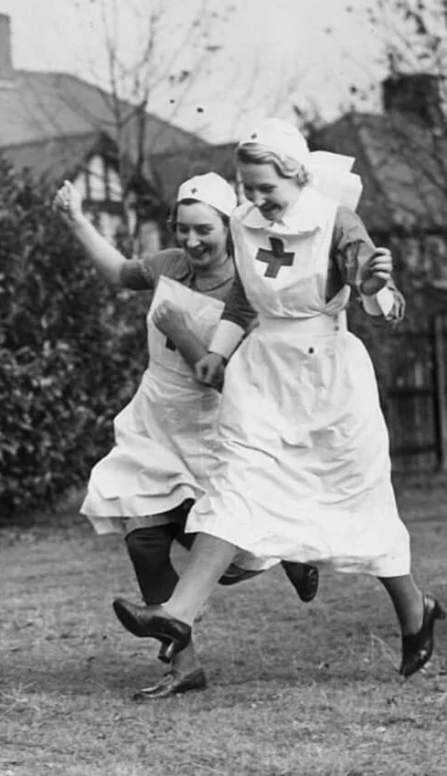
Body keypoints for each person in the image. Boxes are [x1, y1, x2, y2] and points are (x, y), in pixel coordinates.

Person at [112, 118, 445, 679]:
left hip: (328, 379)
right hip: (263, 374)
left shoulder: (335, 221)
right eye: (247, 188)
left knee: (357, 503)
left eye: (266, 188)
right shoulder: (243, 223)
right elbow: (245, 299)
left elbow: (381, 299)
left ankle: (416, 610)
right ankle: (176, 615)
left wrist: (372, 288)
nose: (256, 199)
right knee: (236, 484)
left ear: (298, 176)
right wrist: (217, 352)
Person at [52, 172, 318, 700]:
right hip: (158, 417)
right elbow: (119, 271)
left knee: (222, 555)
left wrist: (181, 331)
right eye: (183, 228)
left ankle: (287, 546)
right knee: (145, 540)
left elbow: (227, 379)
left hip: (218, 421)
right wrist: (75, 218)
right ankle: (184, 666)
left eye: (204, 231)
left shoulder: (249, 285)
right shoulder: (170, 264)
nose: (192, 242)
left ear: (230, 227)